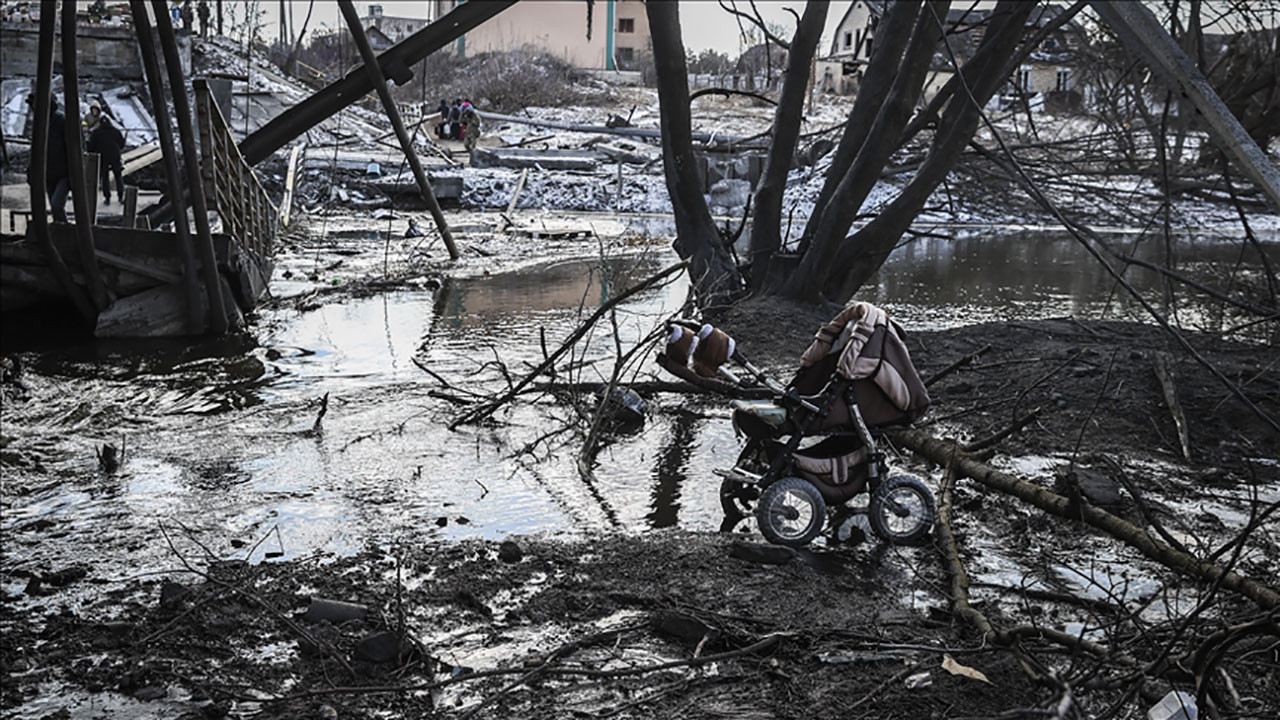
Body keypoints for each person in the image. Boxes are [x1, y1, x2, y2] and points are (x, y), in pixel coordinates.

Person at [27, 95, 69, 223]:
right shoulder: (39, 123)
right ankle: (61, 234)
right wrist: (31, 171)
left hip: (64, 173)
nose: (34, 109)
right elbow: (35, 150)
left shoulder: (61, 120)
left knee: (57, 205)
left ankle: (64, 233)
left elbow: (75, 146)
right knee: (54, 207)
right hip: (48, 173)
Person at [87, 114, 126, 206]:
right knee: (118, 175)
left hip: (102, 156)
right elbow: (121, 145)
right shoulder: (116, 131)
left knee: (105, 177)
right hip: (115, 156)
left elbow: (91, 147)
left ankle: (107, 198)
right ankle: (121, 196)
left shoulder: (96, 132)